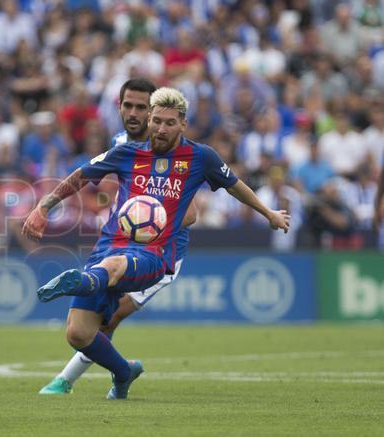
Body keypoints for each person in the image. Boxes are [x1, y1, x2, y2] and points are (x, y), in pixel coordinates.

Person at [22, 86, 290, 400]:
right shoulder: (125, 152)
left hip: (154, 253)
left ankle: (81, 284)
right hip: (111, 243)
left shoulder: (199, 157)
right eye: (157, 121)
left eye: (169, 123)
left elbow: (233, 186)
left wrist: (268, 212)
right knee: (78, 333)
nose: (161, 129)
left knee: (114, 277)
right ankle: (123, 372)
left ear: (183, 124)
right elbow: (81, 175)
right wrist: (44, 207)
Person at [38, 77, 197, 395]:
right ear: (119, 107)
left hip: (161, 251)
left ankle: (67, 380)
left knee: (110, 317)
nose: (134, 112)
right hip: (121, 243)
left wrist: (148, 225)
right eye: (128, 105)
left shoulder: (174, 148)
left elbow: (190, 214)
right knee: (93, 316)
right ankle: (121, 373)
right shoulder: (121, 142)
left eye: (142, 107)